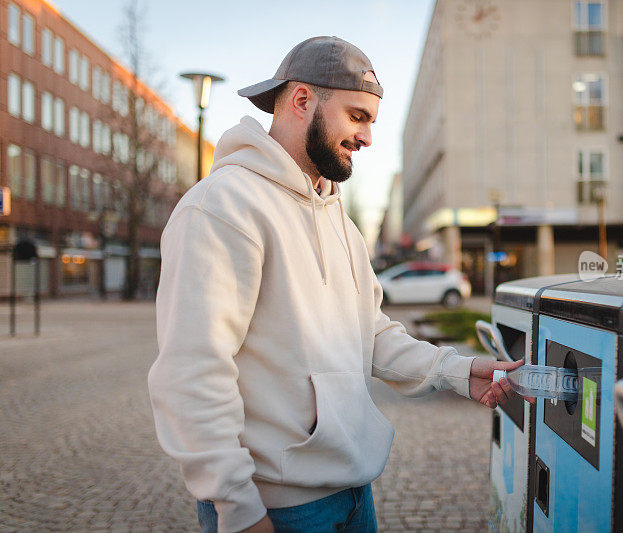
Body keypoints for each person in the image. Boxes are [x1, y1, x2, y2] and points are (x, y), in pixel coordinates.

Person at [147, 36, 522, 533]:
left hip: (351, 495)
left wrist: (460, 371)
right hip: (276, 509)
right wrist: (237, 507)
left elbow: (371, 333)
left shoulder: (338, 219)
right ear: (302, 100)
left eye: (371, 120)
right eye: (357, 116)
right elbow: (192, 372)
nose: (367, 138)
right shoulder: (222, 207)